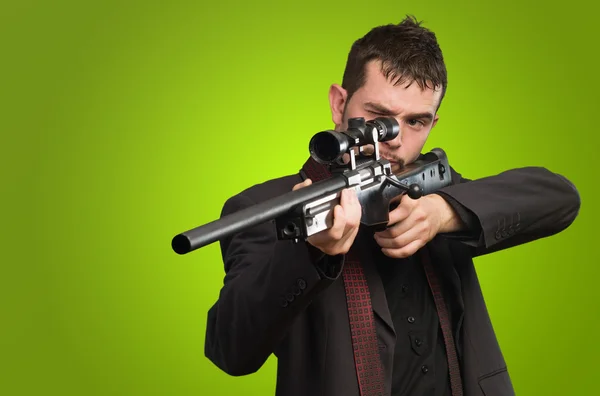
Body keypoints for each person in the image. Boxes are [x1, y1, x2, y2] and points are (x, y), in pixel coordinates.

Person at [203, 15, 581, 396]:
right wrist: (311, 256)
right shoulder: (263, 207)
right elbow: (231, 350)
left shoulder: (436, 190)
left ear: (433, 123)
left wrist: (444, 213)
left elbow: (559, 198)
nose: (394, 140)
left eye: (416, 121)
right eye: (380, 117)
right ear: (339, 104)